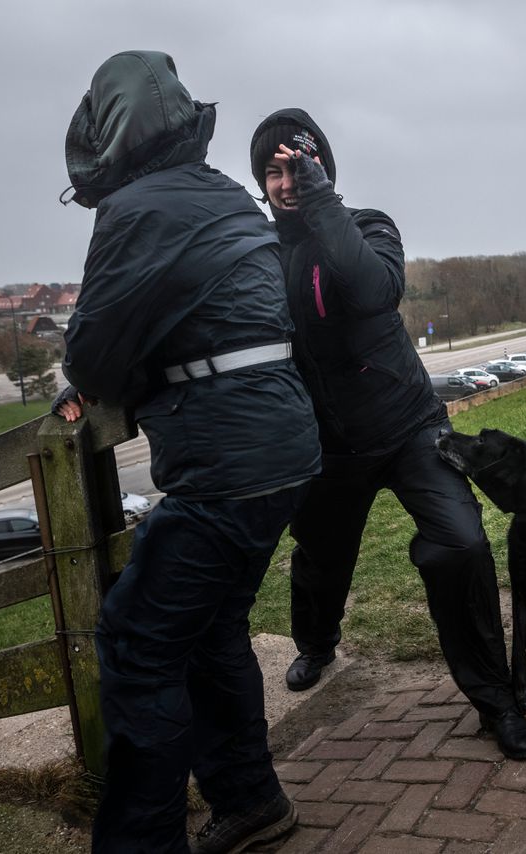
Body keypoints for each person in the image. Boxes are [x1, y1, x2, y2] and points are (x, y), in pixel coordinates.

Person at [56, 52, 321, 853]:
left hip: (225, 467)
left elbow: (95, 358)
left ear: (107, 133)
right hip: (283, 447)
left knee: (136, 647)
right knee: (213, 629)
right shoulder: (219, 191)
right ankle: (251, 800)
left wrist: (120, 379)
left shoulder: (135, 210)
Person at [247, 109, 526, 760]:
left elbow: (373, 290)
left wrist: (322, 203)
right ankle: (317, 645)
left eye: (300, 165)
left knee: (462, 547)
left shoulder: (367, 226)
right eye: (273, 170)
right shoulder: (261, 254)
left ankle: (496, 700)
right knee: (320, 561)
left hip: (410, 427)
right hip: (328, 445)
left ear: (323, 167)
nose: (287, 181)